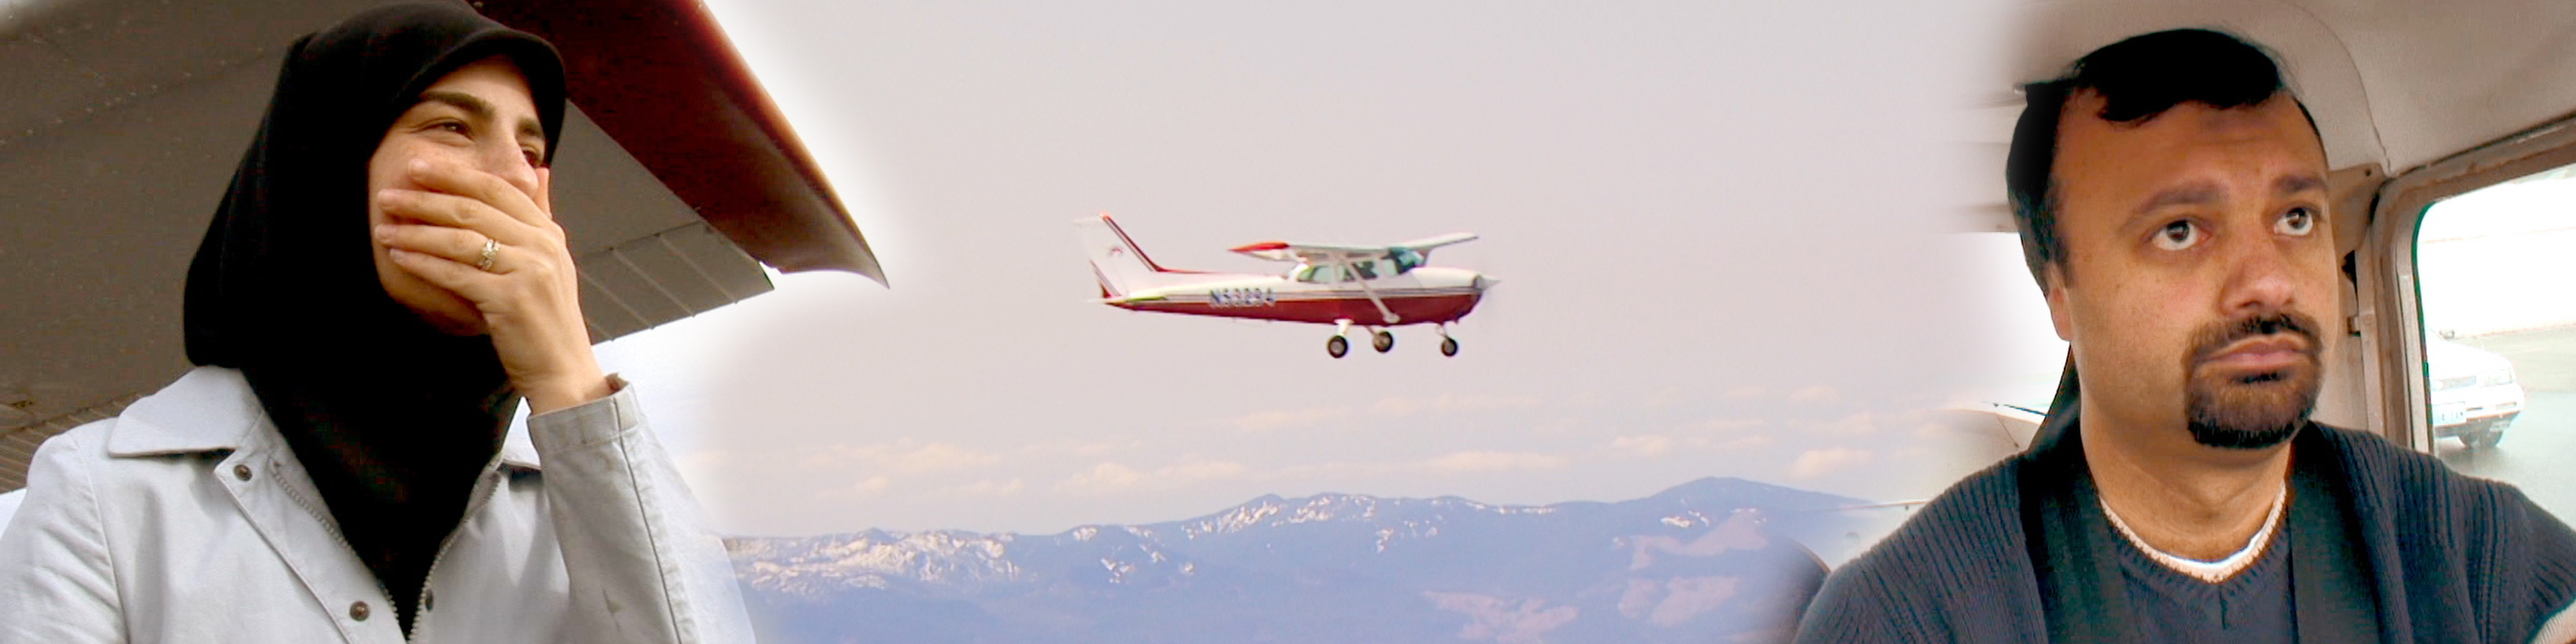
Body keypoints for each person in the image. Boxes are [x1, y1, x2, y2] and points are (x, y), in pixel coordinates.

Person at [1794, 29, 2576, 642]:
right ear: (2058, 294)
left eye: (2294, 217)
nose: (2266, 280)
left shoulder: (2462, 548)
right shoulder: (1904, 614)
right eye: (2178, 230)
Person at [0, 4, 752, 642]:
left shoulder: (585, 493)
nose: (516, 177)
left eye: (533, 150)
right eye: (453, 128)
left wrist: (571, 382)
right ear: (325, 173)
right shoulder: (106, 493)